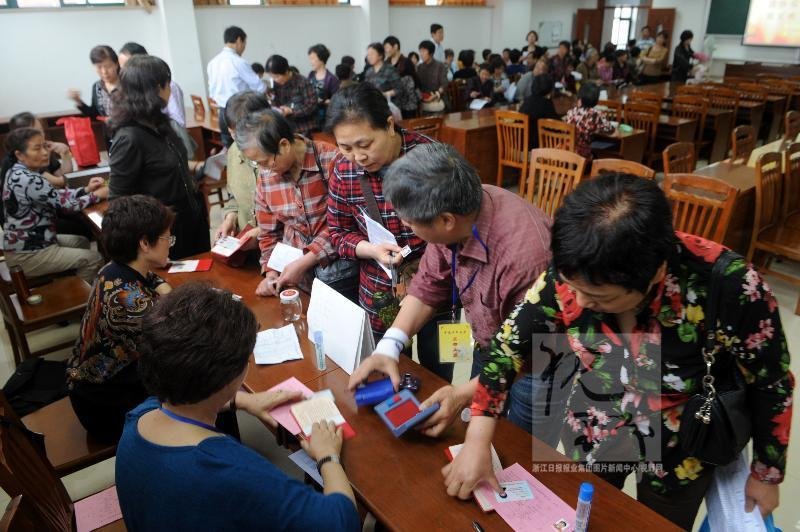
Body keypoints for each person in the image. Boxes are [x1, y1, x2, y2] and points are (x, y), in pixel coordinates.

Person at [444, 173, 793, 531]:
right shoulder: (578, 268)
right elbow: (507, 349)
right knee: (586, 511)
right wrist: (477, 440)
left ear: (656, 272)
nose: (577, 302)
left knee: (659, 522)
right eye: (571, 287)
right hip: (599, 419)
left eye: (600, 298)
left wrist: (767, 475)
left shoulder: (732, 285)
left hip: (680, 440)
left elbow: (772, 385)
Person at [347, 143, 552, 441]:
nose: (406, 226)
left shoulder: (525, 259)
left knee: (516, 443)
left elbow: (526, 355)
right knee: (477, 429)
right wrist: (388, 346)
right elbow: (429, 282)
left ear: (445, 220)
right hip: (490, 342)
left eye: (410, 223)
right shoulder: (462, 213)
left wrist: (462, 395)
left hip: (535, 364)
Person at [115, 283, 360, 531]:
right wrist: (328, 456)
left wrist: (243, 400)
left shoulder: (138, 418)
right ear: (230, 377)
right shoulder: (230, 469)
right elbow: (342, 523)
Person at [325, 83, 453, 381]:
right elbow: (338, 232)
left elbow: (458, 229)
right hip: (380, 293)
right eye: (346, 148)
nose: (357, 156)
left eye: (365, 144)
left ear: (389, 125)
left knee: (441, 369)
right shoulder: (343, 171)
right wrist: (370, 249)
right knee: (390, 370)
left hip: (441, 290)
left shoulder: (432, 160)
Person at [67, 195, 173, 442]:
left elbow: (153, 280)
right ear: (145, 243)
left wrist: (166, 293)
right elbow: (178, 340)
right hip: (106, 404)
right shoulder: (129, 301)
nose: (170, 244)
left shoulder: (114, 269)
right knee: (200, 384)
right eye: (168, 238)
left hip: (107, 382)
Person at [233, 110, 357, 302]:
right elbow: (268, 234)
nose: (264, 169)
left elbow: (345, 223)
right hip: (295, 278)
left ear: (283, 145)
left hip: (340, 274)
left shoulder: (330, 160)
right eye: (257, 164)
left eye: (265, 161)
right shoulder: (266, 178)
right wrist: (271, 272)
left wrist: (305, 262)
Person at [108, 55, 210, 260]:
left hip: (190, 216)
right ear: (155, 89)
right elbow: (119, 202)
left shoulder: (160, 124)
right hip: (163, 231)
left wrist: (199, 169)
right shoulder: (130, 138)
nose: (170, 90)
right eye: (167, 84)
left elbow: (169, 163)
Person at [1, 128, 106, 283]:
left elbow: (55, 196)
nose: (45, 153)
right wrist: (96, 195)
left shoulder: (18, 171)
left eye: (45, 146)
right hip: (27, 254)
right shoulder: (28, 179)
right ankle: (82, 301)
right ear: (19, 155)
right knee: (93, 258)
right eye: (37, 148)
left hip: (29, 243)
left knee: (81, 242)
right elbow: (66, 206)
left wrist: (86, 190)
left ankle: (69, 286)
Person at [213, 90, 270, 248]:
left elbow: (295, 213)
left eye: (244, 135)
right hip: (247, 247)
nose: (239, 142)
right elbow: (234, 196)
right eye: (233, 134)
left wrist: (262, 231)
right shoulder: (234, 151)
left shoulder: (279, 157)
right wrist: (230, 218)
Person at [207, 26, 266, 147]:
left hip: (222, 113)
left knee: (230, 149)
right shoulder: (238, 62)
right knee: (247, 148)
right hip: (239, 113)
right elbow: (260, 87)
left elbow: (212, 92)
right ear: (239, 40)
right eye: (244, 43)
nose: (244, 47)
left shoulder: (213, 63)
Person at [118, 42, 186, 127]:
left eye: (128, 65)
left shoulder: (168, 86)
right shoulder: (129, 89)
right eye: (121, 67)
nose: (124, 71)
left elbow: (179, 123)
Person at [9, 112, 71, 188]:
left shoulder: (44, 149)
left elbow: (63, 177)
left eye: (41, 131)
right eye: (35, 132)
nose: (41, 135)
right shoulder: (14, 160)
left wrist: (65, 153)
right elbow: (60, 182)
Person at [266, 54, 319, 137]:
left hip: (303, 127)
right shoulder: (275, 85)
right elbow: (275, 105)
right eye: (272, 77)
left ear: (286, 71)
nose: (274, 80)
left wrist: (291, 111)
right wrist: (271, 98)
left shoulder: (303, 82)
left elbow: (311, 105)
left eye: (276, 77)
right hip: (284, 126)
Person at [67, 45, 120, 120]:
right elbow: (94, 114)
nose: (104, 72)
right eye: (99, 67)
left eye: (108, 66)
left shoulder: (127, 83)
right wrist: (78, 100)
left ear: (116, 64)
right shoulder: (97, 87)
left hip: (130, 131)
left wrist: (117, 120)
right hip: (109, 131)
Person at [565, 83, 614, 161]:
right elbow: (610, 130)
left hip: (565, 153)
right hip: (581, 157)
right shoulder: (595, 114)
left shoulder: (571, 111)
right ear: (596, 99)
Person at [520, 74, 559, 150]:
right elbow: (556, 126)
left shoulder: (526, 101)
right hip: (538, 150)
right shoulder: (546, 104)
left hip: (523, 147)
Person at [308, 44, 340, 129]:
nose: (310, 62)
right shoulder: (311, 75)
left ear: (321, 59)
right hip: (310, 118)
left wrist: (323, 101)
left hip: (324, 119)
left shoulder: (331, 79)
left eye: (312, 58)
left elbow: (337, 101)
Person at [417, 40, 449, 112]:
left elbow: (444, 84)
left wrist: (436, 95)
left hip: (437, 98)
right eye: (420, 51)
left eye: (424, 51)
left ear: (431, 53)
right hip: (423, 99)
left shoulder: (440, 66)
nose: (421, 54)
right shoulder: (419, 67)